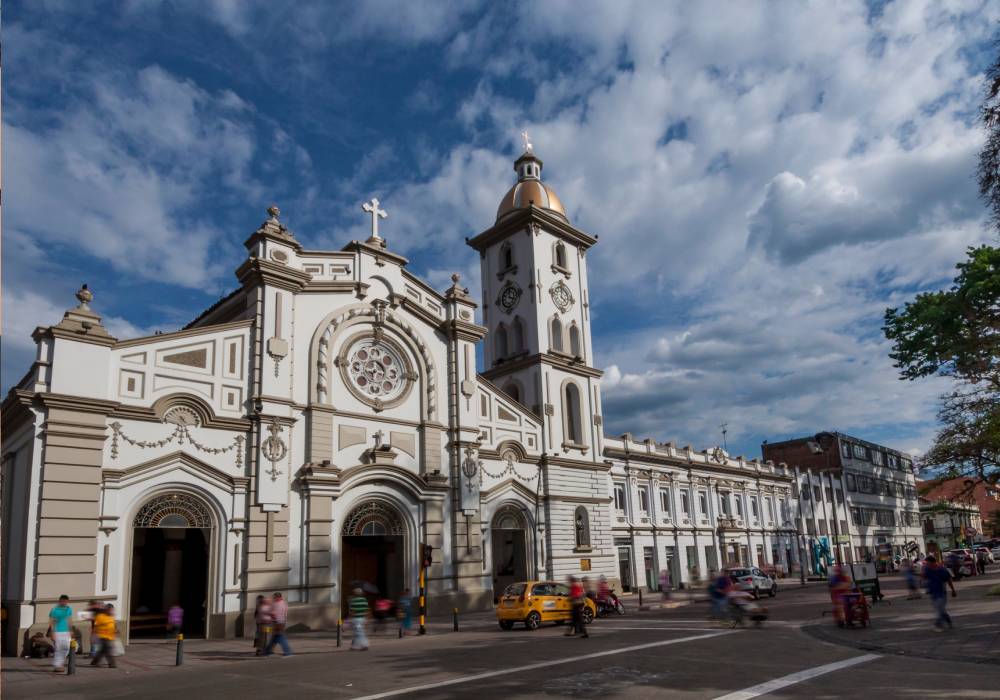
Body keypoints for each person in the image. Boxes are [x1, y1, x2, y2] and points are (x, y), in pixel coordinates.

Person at [923, 555, 957, 631]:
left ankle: (938, 625)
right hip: (933, 593)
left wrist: (953, 590)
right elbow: (924, 578)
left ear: (933, 563)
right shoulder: (927, 569)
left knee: (940, 609)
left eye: (928, 563)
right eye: (926, 564)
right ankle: (948, 621)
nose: (927, 565)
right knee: (941, 609)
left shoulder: (942, 570)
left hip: (942, 592)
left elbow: (948, 580)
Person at [48, 595, 74, 673]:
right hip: (57, 631)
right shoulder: (54, 609)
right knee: (59, 648)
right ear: (60, 601)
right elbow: (52, 622)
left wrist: (71, 630)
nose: (64, 603)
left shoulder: (68, 609)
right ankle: (58, 666)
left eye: (66, 601)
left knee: (67, 648)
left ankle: (59, 664)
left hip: (66, 632)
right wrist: (52, 633)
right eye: (63, 601)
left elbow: (69, 620)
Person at [263, 592, 292, 656]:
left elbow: (273, 614)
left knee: (280, 637)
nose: (274, 598)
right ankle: (268, 651)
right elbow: (285, 613)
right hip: (282, 622)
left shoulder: (276, 604)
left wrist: (268, 612)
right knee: (275, 638)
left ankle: (288, 652)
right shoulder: (284, 603)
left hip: (277, 622)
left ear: (277, 597)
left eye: (274, 597)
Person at [90, 604, 117, 669]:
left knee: (102, 650)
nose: (111, 611)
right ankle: (112, 664)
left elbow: (113, 625)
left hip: (110, 636)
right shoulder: (100, 616)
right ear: (106, 610)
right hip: (102, 636)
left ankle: (94, 661)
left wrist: (116, 630)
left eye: (112, 609)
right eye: (110, 610)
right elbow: (95, 626)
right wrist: (93, 634)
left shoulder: (111, 617)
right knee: (108, 650)